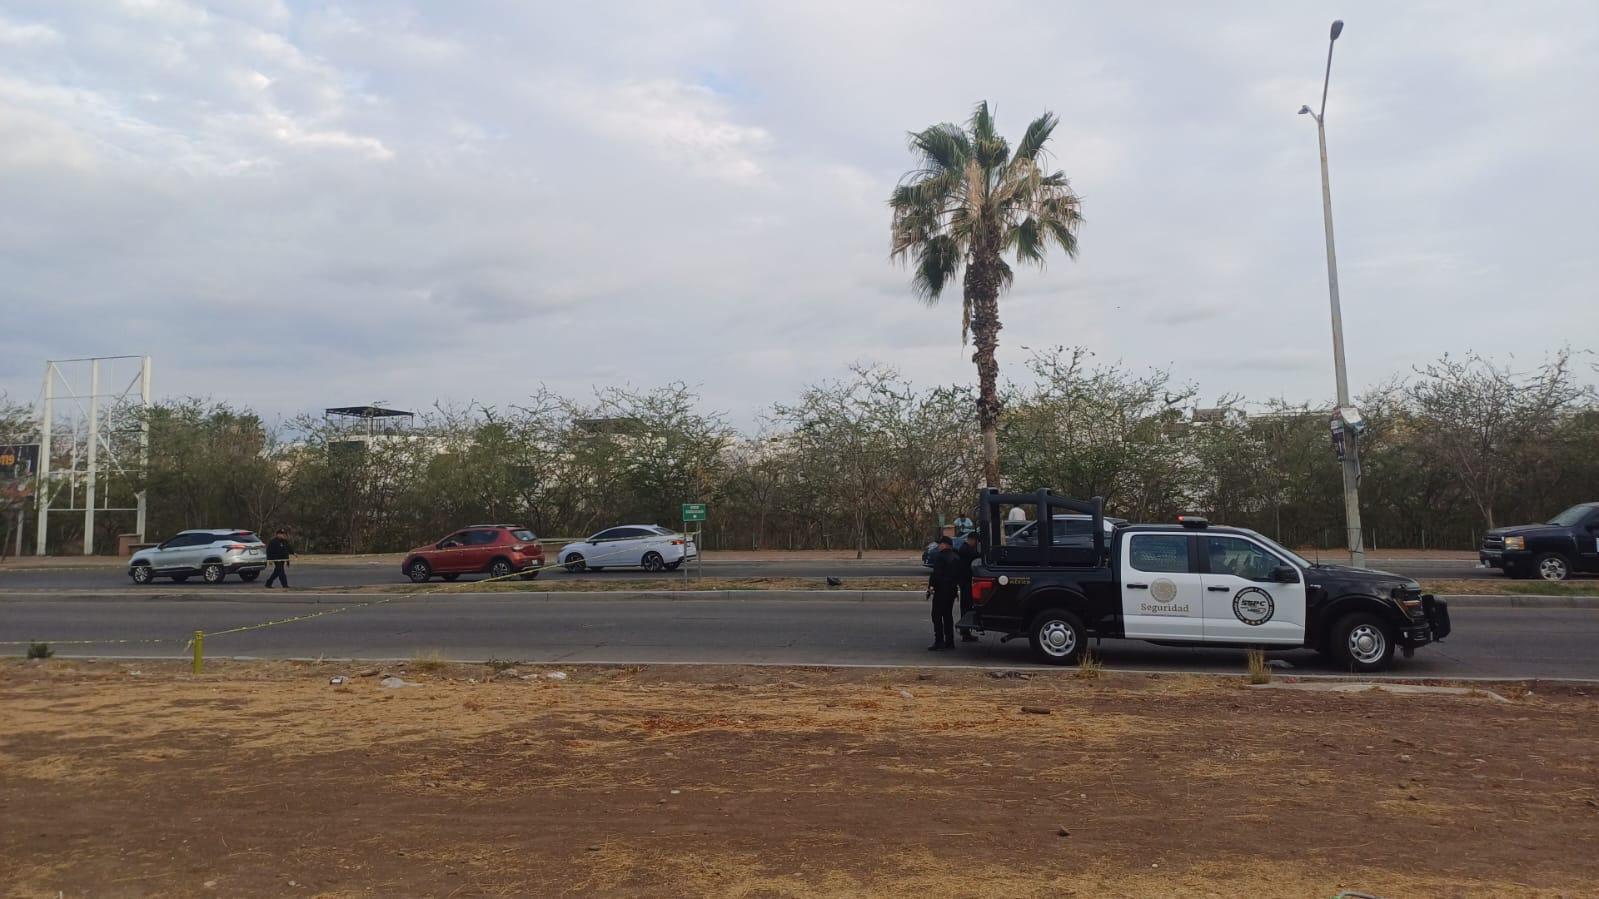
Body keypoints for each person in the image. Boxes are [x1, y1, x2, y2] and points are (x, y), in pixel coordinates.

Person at [926, 535, 959, 650]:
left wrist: (931, 587)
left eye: (940, 544)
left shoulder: (940, 557)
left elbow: (936, 574)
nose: (939, 546)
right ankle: (950, 641)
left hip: (941, 591)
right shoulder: (955, 557)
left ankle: (939, 641)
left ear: (945, 545)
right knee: (948, 616)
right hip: (951, 591)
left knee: (936, 616)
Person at [955, 531, 982, 642]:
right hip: (965, 581)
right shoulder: (966, 550)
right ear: (972, 540)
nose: (976, 544)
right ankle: (965, 631)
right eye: (976, 542)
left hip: (965, 581)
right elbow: (976, 555)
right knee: (966, 606)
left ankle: (966, 631)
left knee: (966, 605)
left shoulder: (965, 548)